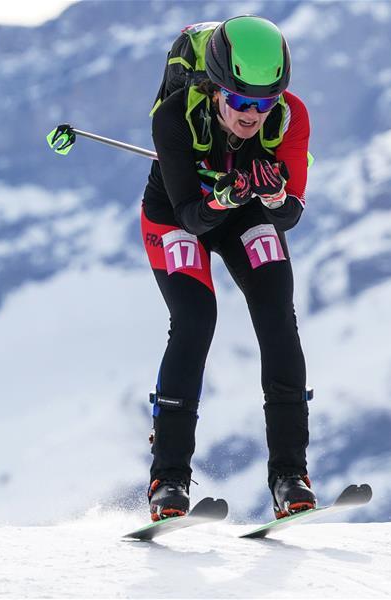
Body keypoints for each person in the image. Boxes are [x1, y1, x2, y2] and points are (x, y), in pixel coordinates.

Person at [140, 15, 315, 522]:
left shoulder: (291, 116)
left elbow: (291, 214)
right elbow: (192, 218)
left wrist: (276, 193)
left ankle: (290, 476)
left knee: (276, 311)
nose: (251, 114)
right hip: (179, 213)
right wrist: (223, 195)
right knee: (195, 319)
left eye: (264, 103)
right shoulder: (173, 117)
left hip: (247, 211)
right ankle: (168, 481)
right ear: (216, 88)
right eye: (239, 101)